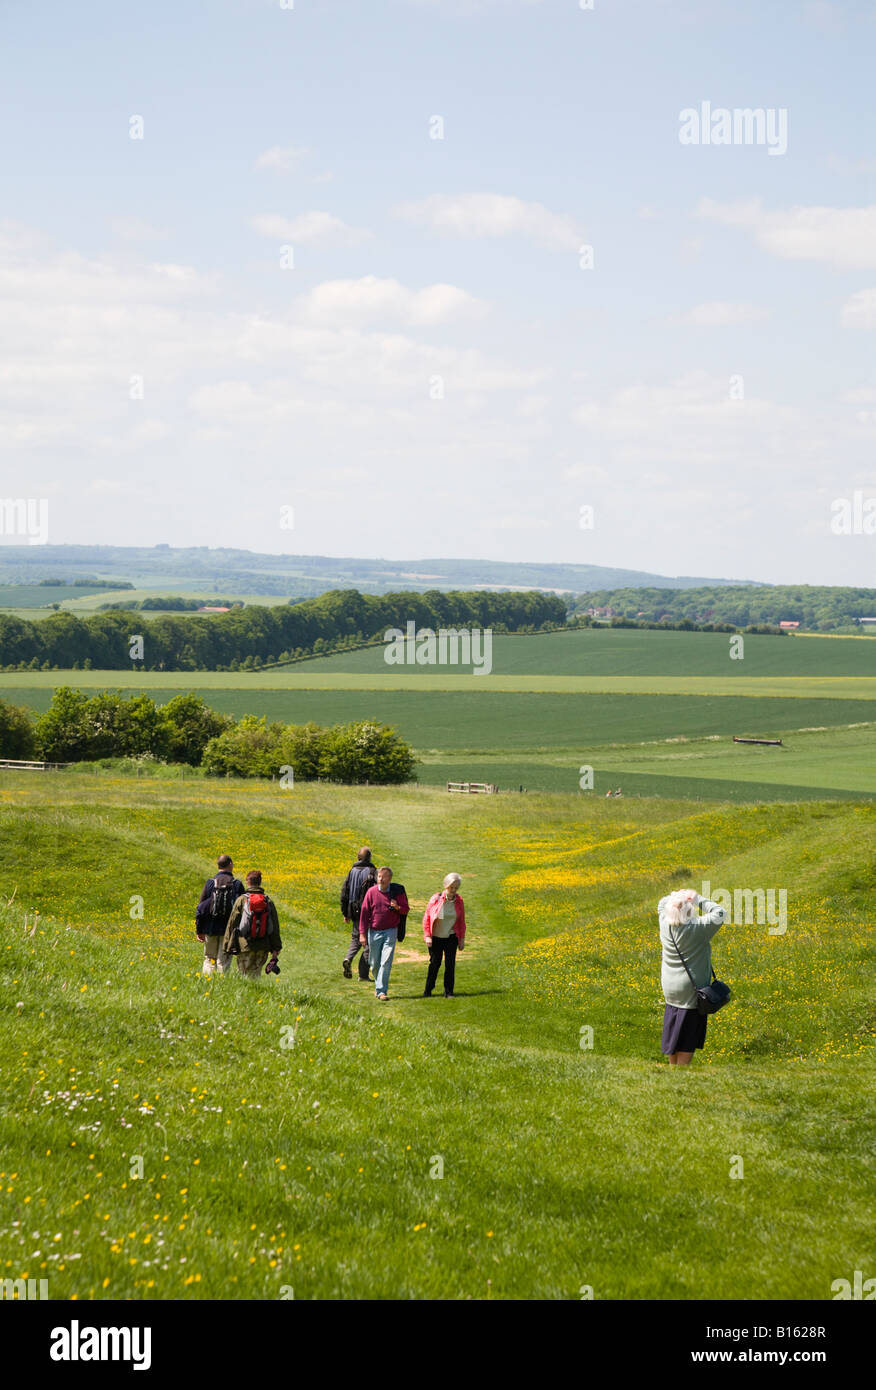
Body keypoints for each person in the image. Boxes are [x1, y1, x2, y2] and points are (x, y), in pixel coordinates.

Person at [658, 888, 726, 1066]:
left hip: (670, 989)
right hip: (691, 991)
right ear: (689, 911)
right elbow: (720, 913)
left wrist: (674, 896)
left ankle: (673, 1069)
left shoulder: (664, 922)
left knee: (674, 1033)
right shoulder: (697, 929)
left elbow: (661, 904)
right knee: (688, 1035)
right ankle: (680, 1074)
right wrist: (697, 898)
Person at [358, 866, 408, 1001]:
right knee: (374, 963)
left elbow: (405, 909)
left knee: (386, 962)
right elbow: (364, 914)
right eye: (379, 877)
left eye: (383, 877)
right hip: (374, 932)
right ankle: (378, 985)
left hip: (391, 931)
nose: (380, 879)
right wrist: (362, 934)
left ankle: (381, 991)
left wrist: (397, 907)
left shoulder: (397, 892)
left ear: (390, 878)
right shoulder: (371, 892)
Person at [222, 869, 283, 978]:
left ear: (247, 882)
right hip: (263, 947)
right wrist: (276, 947)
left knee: (243, 975)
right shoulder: (268, 901)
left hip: (245, 946)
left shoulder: (241, 900)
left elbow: (232, 924)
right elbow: (275, 926)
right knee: (256, 975)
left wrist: (227, 945)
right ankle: (255, 994)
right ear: (260, 882)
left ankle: (247, 994)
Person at [196, 854, 245, 976]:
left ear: (218, 866)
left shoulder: (210, 883)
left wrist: (199, 929)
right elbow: (243, 910)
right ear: (230, 864)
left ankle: (207, 982)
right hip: (228, 930)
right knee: (223, 960)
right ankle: (222, 985)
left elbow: (201, 908)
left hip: (210, 928)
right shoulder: (237, 884)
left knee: (209, 958)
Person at [422, 873, 467, 998]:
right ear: (446, 886)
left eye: (456, 888)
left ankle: (448, 992)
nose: (453, 890)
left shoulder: (459, 901)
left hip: (451, 937)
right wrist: (427, 936)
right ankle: (428, 990)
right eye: (451, 887)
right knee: (435, 963)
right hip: (436, 937)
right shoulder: (436, 898)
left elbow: (461, 921)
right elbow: (427, 918)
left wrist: (462, 939)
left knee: (450, 964)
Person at [340, 846, 377, 981]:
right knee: (369, 944)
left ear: (358, 858)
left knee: (356, 938)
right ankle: (363, 974)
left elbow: (344, 893)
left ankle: (348, 958)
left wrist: (346, 913)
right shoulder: (372, 871)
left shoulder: (352, 871)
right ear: (369, 858)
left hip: (353, 910)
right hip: (368, 912)